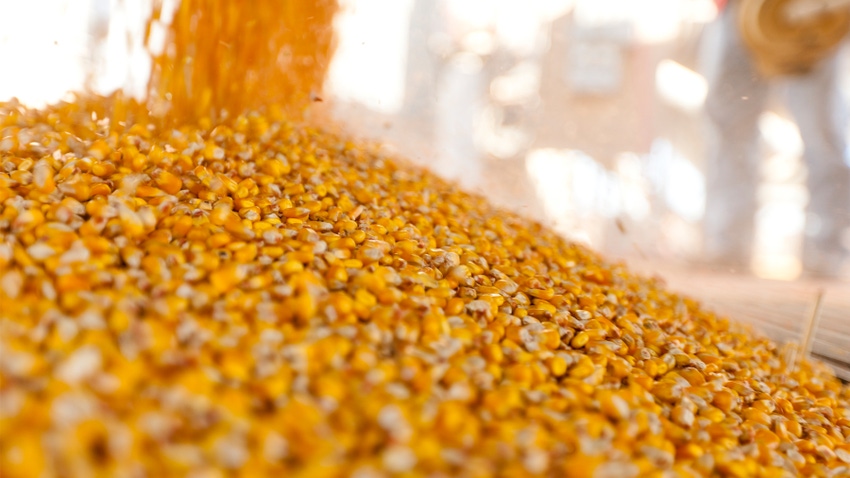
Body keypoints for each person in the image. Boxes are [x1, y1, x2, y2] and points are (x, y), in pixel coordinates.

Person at [702, 0, 850, 278]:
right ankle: (727, 248)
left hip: (813, 11)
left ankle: (825, 254)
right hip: (738, 10)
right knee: (730, 129)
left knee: (823, 133)